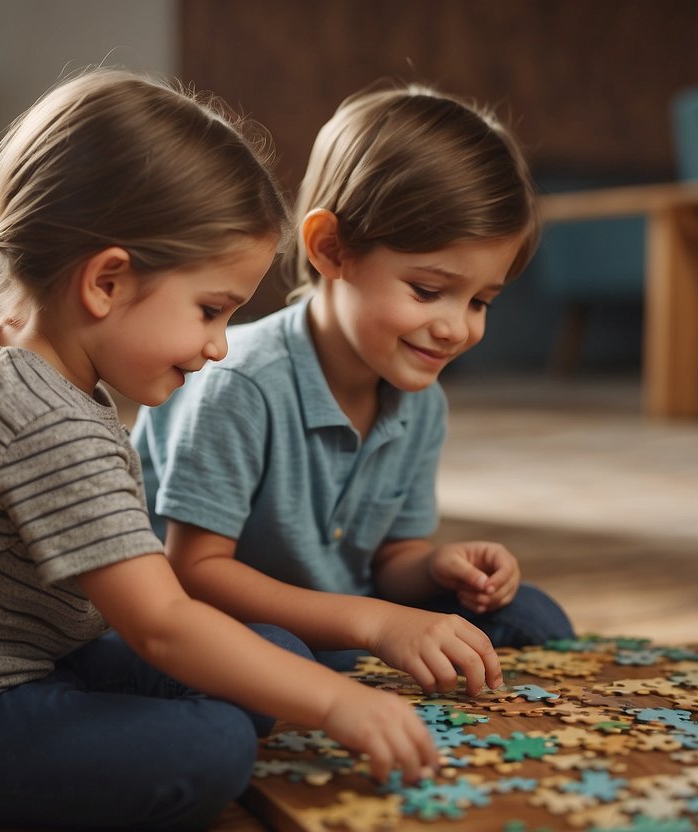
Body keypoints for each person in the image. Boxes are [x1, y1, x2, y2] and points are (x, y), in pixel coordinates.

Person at [0, 70, 445, 832]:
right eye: (210, 310)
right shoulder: (41, 419)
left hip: (23, 663)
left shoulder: (24, 361)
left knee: (272, 654)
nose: (216, 347)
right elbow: (162, 625)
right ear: (106, 281)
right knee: (213, 747)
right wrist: (341, 702)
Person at [132, 82, 575, 694]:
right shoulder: (239, 382)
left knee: (533, 616)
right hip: (217, 621)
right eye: (427, 290)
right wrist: (375, 623)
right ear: (331, 249)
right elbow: (195, 573)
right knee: (277, 651)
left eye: (480, 301)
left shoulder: (422, 401)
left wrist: (436, 568)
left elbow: (392, 563)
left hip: (351, 625)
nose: (455, 327)